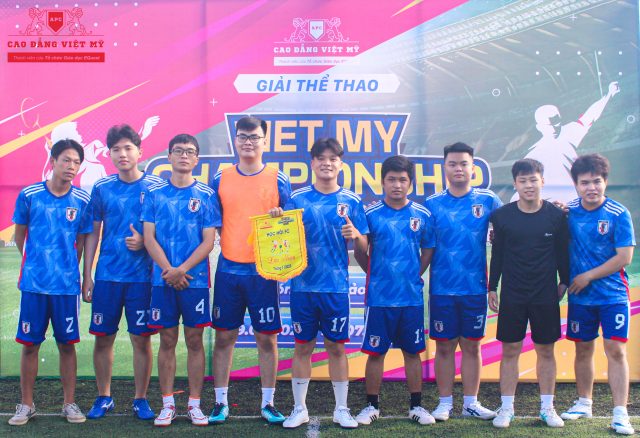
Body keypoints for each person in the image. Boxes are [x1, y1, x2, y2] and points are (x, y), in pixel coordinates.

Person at [279, 137, 369, 429]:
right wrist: (277, 219)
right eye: (321, 158)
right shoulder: (298, 199)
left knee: (336, 348)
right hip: (302, 287)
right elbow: (282, 239)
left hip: (336, 288)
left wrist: (356, 235)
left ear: (340, 164)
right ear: (312, 163)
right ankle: (299, 408)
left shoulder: (351, 201)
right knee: (302, 347)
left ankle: (342, 409)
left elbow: (365, 246)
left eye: (333, 158)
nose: (327, 163)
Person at [209, 116, 291, 425]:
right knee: (223, 338)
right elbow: (214, 224)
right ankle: (220, 402)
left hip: (263, 273)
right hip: (229, 270)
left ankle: (268, 403)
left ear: (265, 141)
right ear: (235, 140)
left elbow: (290, 225)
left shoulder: (277, 178)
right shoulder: (221, 178)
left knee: (267, 340)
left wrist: (280, 218)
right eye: (242, 136)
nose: (248, 142)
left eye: (254, 137)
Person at [82, 124, 162, 420]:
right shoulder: (102, 188)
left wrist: (145, 242)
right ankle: (104, 396)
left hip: (143, 278)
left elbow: (165, 229)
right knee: (103, 338)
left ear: (140, 151)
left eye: (128, 148)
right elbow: (93, 232)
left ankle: (140, 399)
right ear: (110, 154)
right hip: (107, 277)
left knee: (141, 339)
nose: (122, 154)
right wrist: (87, 274)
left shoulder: (156, 187)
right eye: (116, 149)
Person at [9, 139, 92, 426]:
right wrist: (36, 262)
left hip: (66, 288)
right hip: (34, 285)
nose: (71, 166)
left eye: (76, 162)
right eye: (66, 160)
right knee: (30, 345)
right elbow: (20, 235)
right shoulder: (30, 195)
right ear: (53, 161)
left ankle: (69, 403)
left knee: (67, 345)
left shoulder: (81, 200)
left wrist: (69, 269)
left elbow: (81, 241)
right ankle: (26, 405)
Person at [141, 134, 220, 427]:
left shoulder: (206, 195)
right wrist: (169, 271)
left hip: (194, 281)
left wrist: (182, 269)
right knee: (167, 339)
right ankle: (168, 405)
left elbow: (208, 241)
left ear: (196, 159)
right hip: (162, 280)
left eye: (189, 152)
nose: (184, 156)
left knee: (195, 340)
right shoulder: (155, 194)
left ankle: (195, 404)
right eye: (178, 151)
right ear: (169, 156)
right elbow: (149, 237)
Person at [352, 155, 436, 426]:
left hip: (410, 298)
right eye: (391, 179)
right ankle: (371, 406)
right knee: (376, 353)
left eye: (402, 180)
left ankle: (416, 406)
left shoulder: (422, 215)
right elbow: (361, 251)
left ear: (410, 183)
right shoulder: (371, 214)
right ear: (383, 182)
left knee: (412, 353)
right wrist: (375, 274)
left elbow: (428, 250)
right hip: (380, 299)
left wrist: (413, 274)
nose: (397, 185)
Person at [488, 158, 569, 428]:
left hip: (545, 294)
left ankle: (547, 408)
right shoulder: (502, 216)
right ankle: (506, 408)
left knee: (545, 350)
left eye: (533, 179)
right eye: (523, 181)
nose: (529, 185)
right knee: (510, 349)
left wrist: (564, 281)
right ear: (515, 184)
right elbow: (498, 254)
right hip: (513, 294)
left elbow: (562, 252)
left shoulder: (556, 216)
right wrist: (492, 286)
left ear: (542, 181)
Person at [424, 142, 502, 421]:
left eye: (464, 164)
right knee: (444, 347)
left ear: (473, 168)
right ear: (444, 167)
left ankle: (471, 403)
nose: (458, 168)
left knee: (472, 346)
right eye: (453, 164)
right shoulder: (432, 204)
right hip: (442, 289)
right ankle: (444, 403)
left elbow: (511, 224)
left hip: (474, 288)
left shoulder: (488, 200)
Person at [560, 154, 635, 435]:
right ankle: (584, 403)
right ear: (576, 185)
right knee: (583, 349)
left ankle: (620, 413)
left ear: (605, 182)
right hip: (580, 297)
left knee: (615, 350)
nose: (591, 187)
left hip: (613, 296)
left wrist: (588, 276)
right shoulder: (568, 212)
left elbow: (624, 257)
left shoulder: (618, 213)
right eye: (585, 183)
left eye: (596, 181)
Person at [515, 82, 620, 203]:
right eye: (549, 124)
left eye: (556, 122)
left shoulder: (569, 132)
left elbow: (590, 116)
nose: (554, 128)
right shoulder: (533, 154)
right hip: (549, 206)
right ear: (539, 127)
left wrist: (609, 95)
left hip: (574, 202)